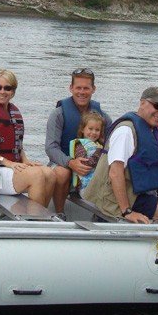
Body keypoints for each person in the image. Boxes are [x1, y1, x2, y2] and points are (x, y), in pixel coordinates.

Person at [82, 87, 158, 229]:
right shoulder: (126, 131)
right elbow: (115, 173)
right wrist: (126, 211)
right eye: (157, 106)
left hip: (137, 189)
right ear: (142, 103)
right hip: (117, 199)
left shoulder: (150, 129)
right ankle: (157, 242)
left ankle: (156, 225)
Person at [0, 69, 55, 207]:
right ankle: (35, 221)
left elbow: (16, 144)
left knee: (49, 174)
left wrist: (25, 161)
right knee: (36, 175)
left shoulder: (13, 112)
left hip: (10, 167)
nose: (2, 91)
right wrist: (6, 162)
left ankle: (40, 216)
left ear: (13, 91)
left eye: (7, 88)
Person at [45, 68, 111, 216]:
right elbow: (51, 147)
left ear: (93, 89)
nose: (82, 92)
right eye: (78, 88)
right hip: (63, 162)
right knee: (63, 173)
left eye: (86, 88)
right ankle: (59, 213)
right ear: (71, 88)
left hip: (92, 164)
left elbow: (110, 147)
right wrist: (71, 162)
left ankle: (102, 214)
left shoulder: (104, 118)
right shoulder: (58, 114)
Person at [70, 111, 105, 191]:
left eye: (97, 130)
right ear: (82, 129)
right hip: (85, 185)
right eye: (90, 129)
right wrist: (98, 151)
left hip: (98, 183)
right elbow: (85, 165)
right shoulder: (80, 146)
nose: (93, 132)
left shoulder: (99, 145)